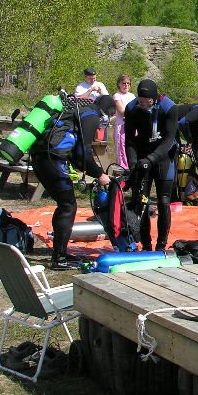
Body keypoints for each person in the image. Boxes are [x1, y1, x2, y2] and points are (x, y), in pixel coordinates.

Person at [30, 95, 115, 270]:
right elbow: (82, 153)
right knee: (68, 206)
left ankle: (59, 253)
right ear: (107, 112)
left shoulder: (77, 113)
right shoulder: (91, 116)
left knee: (64, 205)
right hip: (51, 160)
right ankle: (59, 258)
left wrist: (91, 171)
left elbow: (76, 155)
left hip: (40, 157)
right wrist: (100, 175)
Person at [124, 79, 178, 251]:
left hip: (163, 155)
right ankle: (146, 245)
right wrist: (133, 162)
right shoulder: (132, 108)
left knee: (163, 201)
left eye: (146, 102)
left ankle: (161, 245)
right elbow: (130, 139)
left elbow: (170, 139)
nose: (142, 104)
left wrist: (152, 158)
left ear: (154, 99)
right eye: (140, 101)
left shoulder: (169, 107)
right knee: (142, 201)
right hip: (142, 154)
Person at [112, 74, 136, 169]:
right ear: (119, 84)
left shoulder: (132, 96)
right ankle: (123, 169)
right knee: (122, 148)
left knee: (132, 147)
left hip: (133, 126)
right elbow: (122, 111)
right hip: (121, 126)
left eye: (128, 83)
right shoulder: (117, 96)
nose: (126, 85)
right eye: (124, 83)